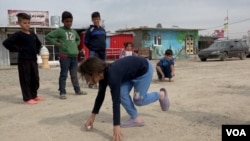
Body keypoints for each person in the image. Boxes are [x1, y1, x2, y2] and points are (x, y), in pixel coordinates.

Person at [78, 56, 170, 141]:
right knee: (122, 93)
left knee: (138, 101)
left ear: (94, 73)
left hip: (144, 71)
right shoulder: (103, 75)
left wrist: (116, 126)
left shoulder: (112, 75)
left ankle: (161, 95)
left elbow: (116, 102)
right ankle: (136, 119)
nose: (87, 81)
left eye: (87, 77)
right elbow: (100, 95)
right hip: (130, 74)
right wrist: (92, 116)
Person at [2, 13, 43, 105]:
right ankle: (27, 98)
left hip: (33, 60)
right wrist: (18, 49)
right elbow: (6, 43)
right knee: (26, 79)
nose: (27, 24)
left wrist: (36, 50)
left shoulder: (32, 34)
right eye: (25, 23)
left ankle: (34, 95)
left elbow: (39, 44)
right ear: (19, 23)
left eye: (28, 22)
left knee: (35, 78)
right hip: (23, 60)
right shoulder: (18, 35)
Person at [45, 11, 87, 99]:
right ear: (63, 21)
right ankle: (62, 92)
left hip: (74, 57)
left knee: (74, 75)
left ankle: (77, 90)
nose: (69, 23)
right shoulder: (60, 31)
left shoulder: (74, 31)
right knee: (64, 74)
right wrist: (57, 44)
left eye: (70, 21)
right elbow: (48, 37)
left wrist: (76, 44)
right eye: (67, 21)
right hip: (64, 57)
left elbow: (78, 39)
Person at [84, 11, 106, 89]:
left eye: (97, 19)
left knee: (103, 67)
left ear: (100, 19)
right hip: (94, 51)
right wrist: (92, 48)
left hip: (102, 51)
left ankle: (102, 82)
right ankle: (92, 83)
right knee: (93, 67)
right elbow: (86, 41)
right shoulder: (90, 30)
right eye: (94, 19)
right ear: (92, 20)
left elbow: (104, 39)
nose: (96, 20)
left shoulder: (103, 30)